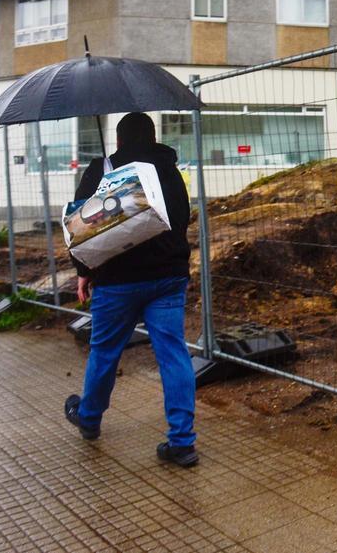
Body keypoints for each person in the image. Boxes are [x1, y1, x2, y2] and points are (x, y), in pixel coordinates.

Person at [63, 112, 198, 468]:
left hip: (116, 281)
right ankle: (182, 442)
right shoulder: (170, 170)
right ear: (153, 139)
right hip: (168, 277)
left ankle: (89, 420)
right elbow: (182, 219)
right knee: (172, 354)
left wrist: (84, 271)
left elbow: (81, 228)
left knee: (105, 351)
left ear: (119, 141)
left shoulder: (102, 169)